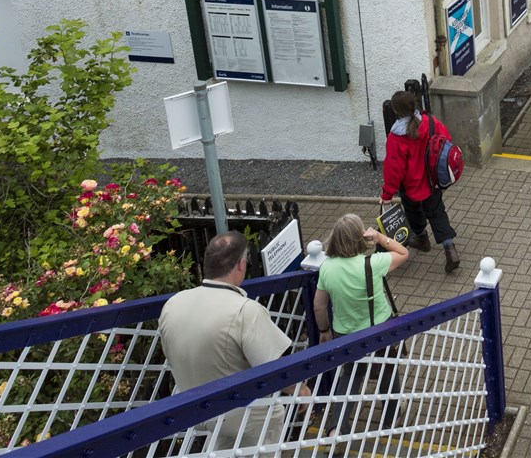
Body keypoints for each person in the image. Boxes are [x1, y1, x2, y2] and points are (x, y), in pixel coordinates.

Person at [158, 231, 299, 447]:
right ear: (241, 264)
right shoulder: (245, 310)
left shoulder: (173, 304)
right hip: (243, 415)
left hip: (195, 410)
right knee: (270, 417)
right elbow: (279, 369)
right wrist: (303, 390)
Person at [312, 214, 410, 434]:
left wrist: (324, 330)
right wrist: (379, 236)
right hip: (380, 329)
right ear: (360, 238)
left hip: (344, 332)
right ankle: (391, 415)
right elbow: (403, 252)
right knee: (387, 369)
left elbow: (319, 306)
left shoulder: (327, 268)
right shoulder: (373, 263)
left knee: (351, 373)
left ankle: (337, 427)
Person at [381, 90, 461, 273]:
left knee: (414, 212)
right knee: (437, 213)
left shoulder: (396, 138)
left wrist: (387, 194)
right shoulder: (430, 122)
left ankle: (422, 239)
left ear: (396, 111)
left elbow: (394, 169)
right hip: (433, 181)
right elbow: (446, 140)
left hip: (411, 187)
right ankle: (450, 249)